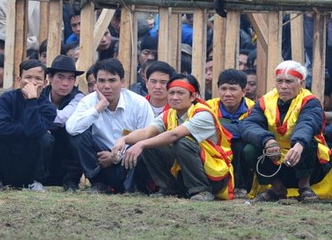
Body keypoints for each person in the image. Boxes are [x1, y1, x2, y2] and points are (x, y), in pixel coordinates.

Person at [113, 73, 234, 201]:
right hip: (185, 173)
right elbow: (147, 132)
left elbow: (174, 134)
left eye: (180, 93)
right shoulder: (169, 114)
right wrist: (123, 140)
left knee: (181, 142)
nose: (174, 97)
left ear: (193, 96)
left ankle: (202, 190)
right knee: (150, 143)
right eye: (171, 93)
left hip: (214, 176)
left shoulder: (203, 113)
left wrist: (142, 144)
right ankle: (168, 189)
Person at [241, 60, 332, 203]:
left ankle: (304, 185)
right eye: (280, 81)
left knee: (308, 143)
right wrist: (268, 141)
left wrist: (298, 145)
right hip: (274, 154)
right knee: (250, 150)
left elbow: (307, 124)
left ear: (301, 84)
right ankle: (277, 188)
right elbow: (249, 125)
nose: (283, 86)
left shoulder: (310, 101)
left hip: (305, 159)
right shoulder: (265, 101)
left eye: (289, 82)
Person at [65, 58, 153, 194]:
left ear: (122, 82)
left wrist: (115, 157)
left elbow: (149, 135)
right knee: (78, 136)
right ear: (95, 83)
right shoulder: (88, 101)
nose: (106, 86)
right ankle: (99, 185)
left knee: (145, 146)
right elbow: (71, 128)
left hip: (129, 163)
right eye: (101, 81)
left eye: (112, 80)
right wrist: (98, 108)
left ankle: (134, 188)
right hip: (101, 163)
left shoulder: (139, 103)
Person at [0, 59, 55, 191]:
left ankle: (35, 182)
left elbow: (34, 132)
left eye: (38, 78)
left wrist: (32, 101)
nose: (32, 82)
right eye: (28, 77)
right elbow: (0, 128)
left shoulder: (48, 108)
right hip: (6, 158)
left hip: (29, 162)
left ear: (45, 83)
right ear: (19, 80)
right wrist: (27, 130)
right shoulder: (7, 99)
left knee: (46, 139)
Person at [207, 69, 256, 199]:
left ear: (244, 91)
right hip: (214, 149)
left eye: (233, 89)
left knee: (241, 145)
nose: (227, 94)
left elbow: (250, 130)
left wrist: (221, 128)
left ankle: (241, 187)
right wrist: (238, 129)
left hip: (240, 150)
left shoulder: (253, 108)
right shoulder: (208, 107)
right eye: (223, 89)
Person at [40, 54, 86, 191]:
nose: (65, 83)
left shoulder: (78, 98)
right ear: (50, 78)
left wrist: (40, 119)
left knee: (73, 132)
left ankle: (71, 182)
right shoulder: (40, 94)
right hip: (43, 151)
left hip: (66, 153)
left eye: (70, 79)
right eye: (60, 77)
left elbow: (62, 118)